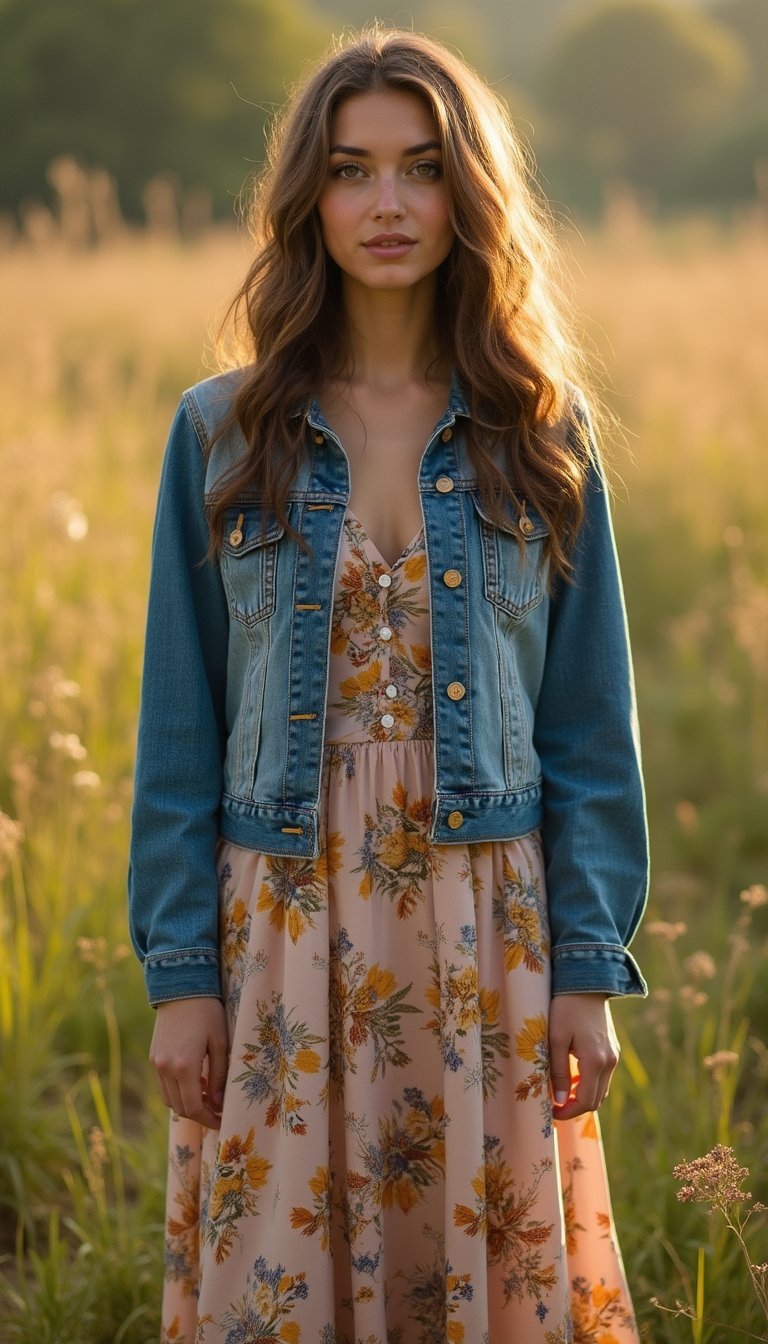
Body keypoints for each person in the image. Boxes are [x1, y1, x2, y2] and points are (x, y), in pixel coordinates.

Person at [128, 27, 649, 1344]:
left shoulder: (538, 428)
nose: (387, 204)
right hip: (282, 917)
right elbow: (177, 733)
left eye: (421, 169)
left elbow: (592, 725)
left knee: (473, 1277)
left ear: (466, 192)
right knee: (283, 1281)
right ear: (310, 195)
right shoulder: (221, 432)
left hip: (487, 927)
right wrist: (181, 972)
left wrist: (587, 964)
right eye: (354, 171)